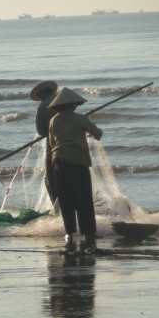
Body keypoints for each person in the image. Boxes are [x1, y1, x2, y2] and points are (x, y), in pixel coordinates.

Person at [48, 87, 103, 254]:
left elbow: (52, 144)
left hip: (58, 163)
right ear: (73, 105)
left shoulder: (53, 121)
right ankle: (89, 234)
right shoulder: (80, 118)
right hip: (77, 162)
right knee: (84, 200)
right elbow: (98, 134)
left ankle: (70, 233)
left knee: (66, 199)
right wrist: (86, 122)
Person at [31, 80, 59, 206]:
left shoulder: (42, 107)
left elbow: (41, 131)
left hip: (52, 144)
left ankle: (57, 204)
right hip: (72, 143)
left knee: (52, 178)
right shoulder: (62, 102)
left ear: (42, 95)